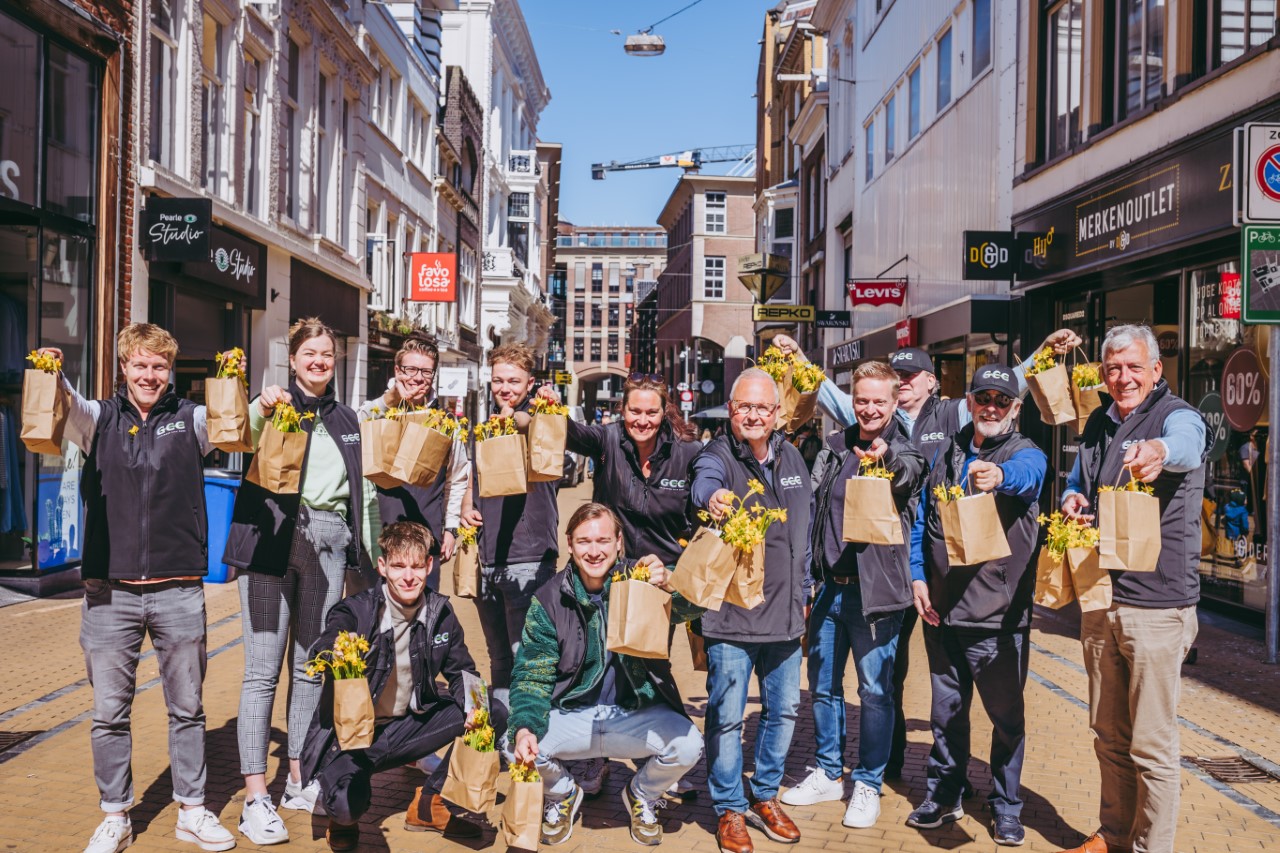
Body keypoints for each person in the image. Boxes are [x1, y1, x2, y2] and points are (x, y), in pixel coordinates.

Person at [772, 328, 1081, 777]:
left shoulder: (956, 413)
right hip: (893, 570)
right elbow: (834, 396)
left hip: (937, 574)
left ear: (931, 381)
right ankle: (890, 764)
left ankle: (955, 782)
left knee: (945, 686)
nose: (906, 380)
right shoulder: (874, 416)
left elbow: (1003, 389)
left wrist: (1043, 351)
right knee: (892, 674)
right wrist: (799, 356)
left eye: (913, 374)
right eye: (899, 374)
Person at [40, 327, 235, 853]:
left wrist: (257, 393)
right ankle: (115, 816)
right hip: (110, 592)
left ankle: (192, 810)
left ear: (170, 371)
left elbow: (240, 424)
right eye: (140, 366)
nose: (150, 376)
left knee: (188, 708)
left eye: (160, 368)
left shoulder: (191, 420)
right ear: (123, 367)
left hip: (178, 588)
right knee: (108, 712)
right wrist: (51, 373)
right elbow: (66, 405)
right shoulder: (99, 419)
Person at [223, 317, 382, 845]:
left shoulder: (347, 420)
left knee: (311, 669)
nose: (318, 361)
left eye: (327, 354)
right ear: (291, 359)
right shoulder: (274, 409)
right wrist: (259, 404)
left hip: (331, 546)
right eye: (309, 353)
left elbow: (366, 497)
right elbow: (233, 435)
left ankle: (298, 776)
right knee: (262, 672)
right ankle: (254, 796)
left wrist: (371, 561)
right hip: (271, 541)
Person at [1058, 324, 1206, 853]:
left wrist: (1159, 451)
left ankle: (1150, 848)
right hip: (1101, 596)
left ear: (1156, 371)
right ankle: (1114, 835)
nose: (1124, 378)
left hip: (1158, 606)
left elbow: (1188, 445)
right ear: (1103, 372)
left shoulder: (1178, 417)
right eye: (1114, 368)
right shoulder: (1099, 421)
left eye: (1134, 368)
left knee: (1152, 745)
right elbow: (1080, 480)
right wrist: (1073, 499)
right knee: (1109, 736)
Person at [907, 365, 1049, 846]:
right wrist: (918, 576)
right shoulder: (946, 451)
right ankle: (945, 794)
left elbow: (1030, 478)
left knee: (1007, 720)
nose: (991, 407)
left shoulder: (1024, 452)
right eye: (983, 397)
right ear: (969, 401)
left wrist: (1000, 475)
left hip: (998, 620)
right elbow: (921, 520)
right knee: (946, 716)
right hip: (942, 613)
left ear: (1015, 408)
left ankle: (1007, 806)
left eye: (1001, 400)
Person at [507, 503, 705, 847]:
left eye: (602, 541)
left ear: (618, 542)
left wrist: (671, 582)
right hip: (573, 716)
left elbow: (694, 605)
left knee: (689, 745)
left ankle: (641, 795)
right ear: (569, 543)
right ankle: (562, 794)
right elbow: (531, 674)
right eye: (584, 541)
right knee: (514, 745)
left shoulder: (640, 580)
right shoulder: (549, 600)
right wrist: (525, 725)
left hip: (633, 714)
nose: (594, 551)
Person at [781, 361, 926, 829]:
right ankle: (827, 771)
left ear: (894, 400)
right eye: (861, 399)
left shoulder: (907, 449)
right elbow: (813, 510)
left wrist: (885, 458)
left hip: (877, 595)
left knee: (877, 691)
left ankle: (867, 781)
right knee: (822, 687)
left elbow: (908, 474)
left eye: (878, 401)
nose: (868, 408)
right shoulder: (833, 446)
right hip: (828, 591)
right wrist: (807, 580)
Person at [299, 521, 489, 851]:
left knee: (492, 710)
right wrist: (336, 651)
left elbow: (464, 672)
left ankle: (429, 803)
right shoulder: (356, 610)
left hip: (410, 727)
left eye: (417, 566)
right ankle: (344, 815)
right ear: (383, 567)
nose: (409, 576)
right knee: (345, 807)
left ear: (430, 565)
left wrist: (475, 706)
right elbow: (326, 642)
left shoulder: (440, 613)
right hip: (353, 738)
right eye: (399, 566)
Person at [691, 368, 813, 853]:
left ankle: (764, 795)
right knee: (726, 714)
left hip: (786, 612)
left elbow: (805, 529)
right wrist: (714, 497)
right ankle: (728, 808)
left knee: (783, 711)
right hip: (732, 616)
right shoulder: (718, 455)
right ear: (732, 409)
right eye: (745, 407)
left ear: (778, 412)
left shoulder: (794, 457)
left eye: (763, 407)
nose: (754, 415)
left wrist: (807, 588)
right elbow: (704, 484)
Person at [459, 342, 558, 709]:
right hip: (488, 558)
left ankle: (531, 739)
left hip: (528, 558)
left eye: (514, 381)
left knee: (526, 657)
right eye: (499, 380)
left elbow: (529, 426)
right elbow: (475, 478)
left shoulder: (543, 422)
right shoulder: (485, 427)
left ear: (530, 383)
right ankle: (504, 739)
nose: (505, 388)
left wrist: (523, 413)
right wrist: (467, 505)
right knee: (498, 658)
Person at [357, 334, 469, 582]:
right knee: (370, 617)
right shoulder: (375, 411)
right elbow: (353, 433)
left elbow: (457, 478)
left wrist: (450, 529)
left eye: (426, 372)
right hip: (375, 538)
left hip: (425, 538)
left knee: (423, 618)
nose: (417, 377)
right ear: (397, 370)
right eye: (410, 369)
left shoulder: (447, 423)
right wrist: (390, 401)